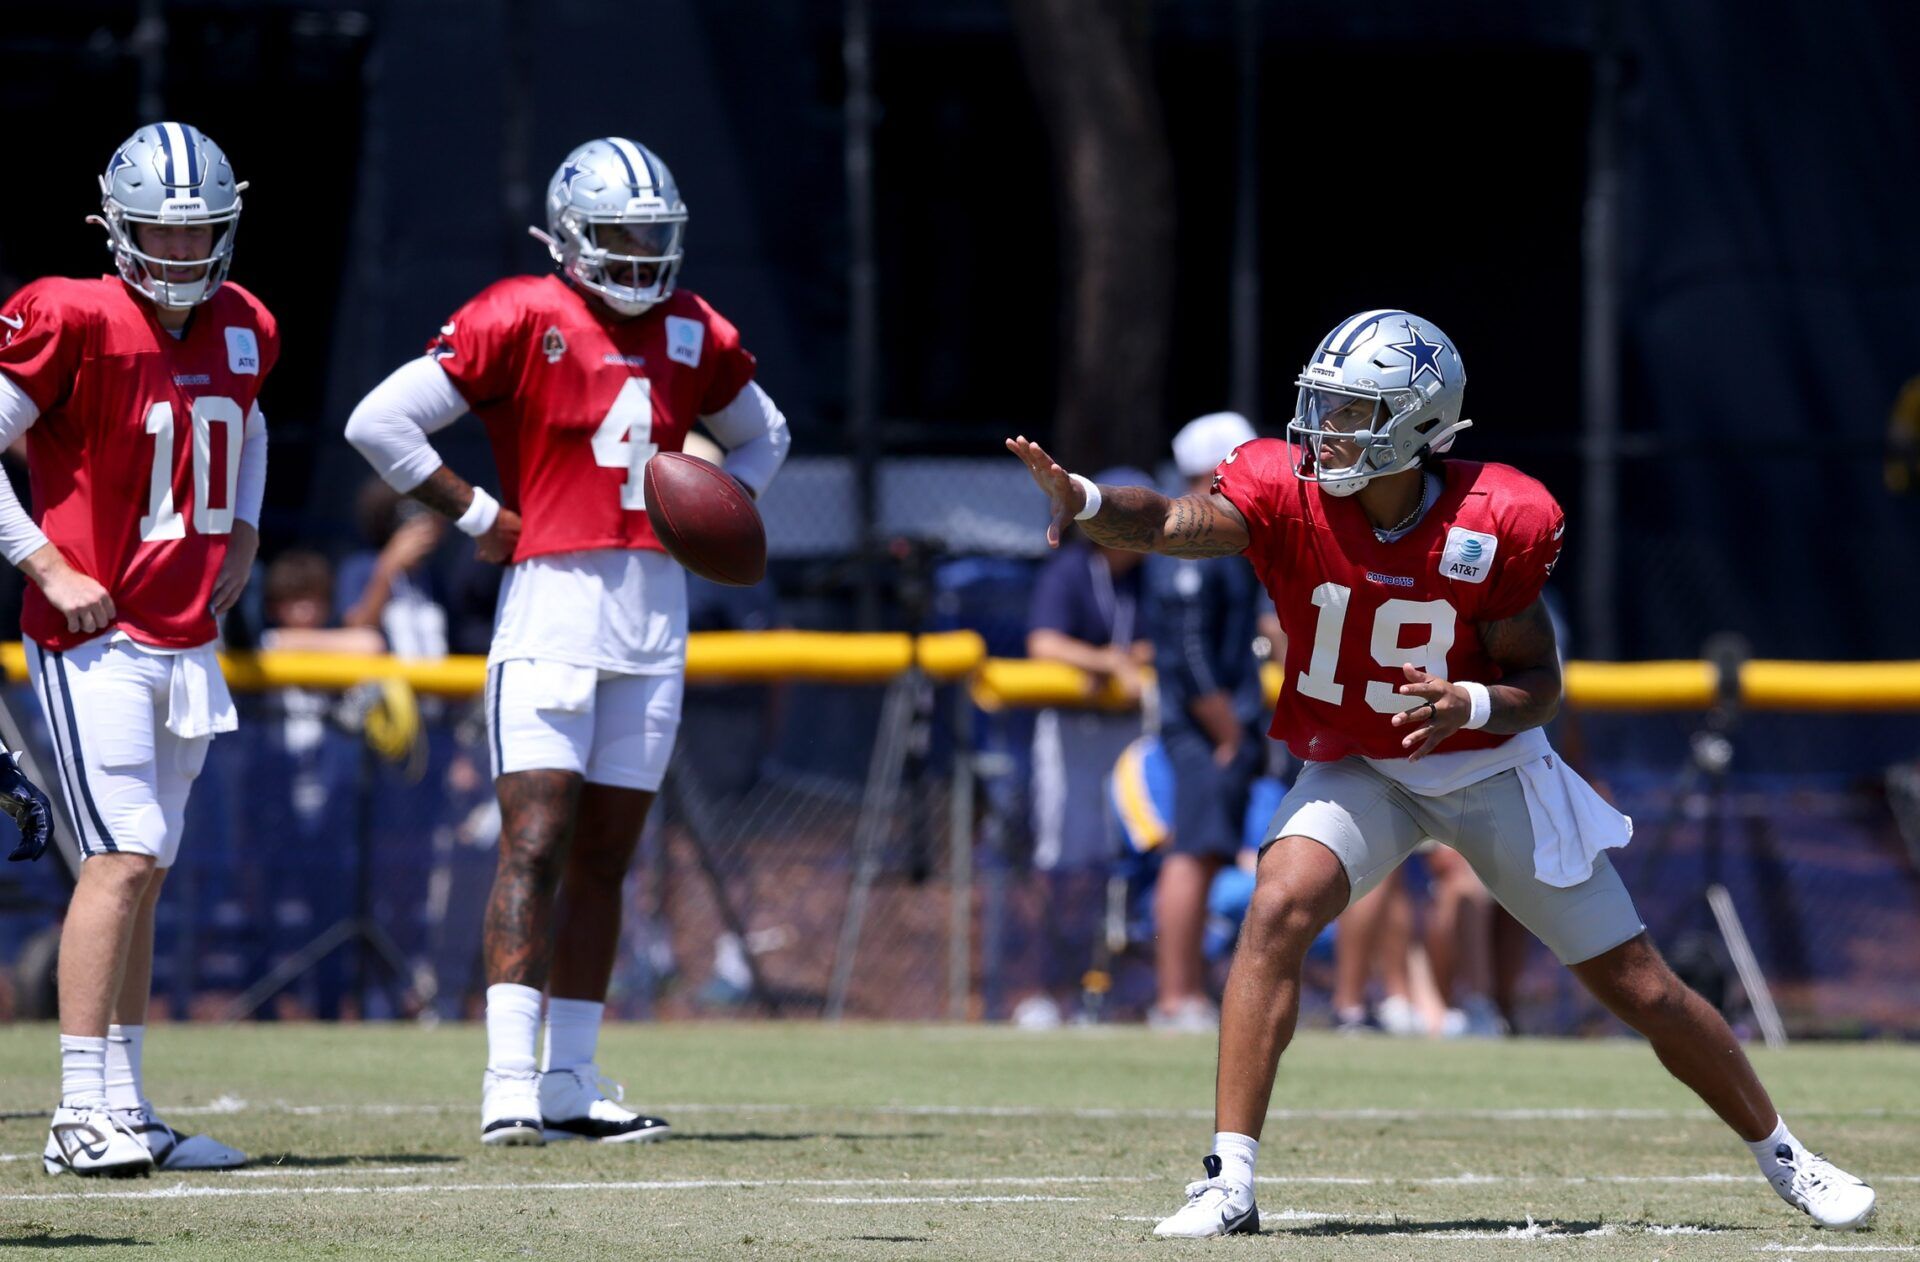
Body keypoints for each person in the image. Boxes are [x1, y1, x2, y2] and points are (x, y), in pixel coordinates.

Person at [1008, 308, 1874, 1235]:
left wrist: (1470, 702)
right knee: (1276, 908)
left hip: (1490, 767)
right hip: (1364, 768)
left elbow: (1542, 684)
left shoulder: (1495, 520)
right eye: (1323, 405)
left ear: (1418, 424)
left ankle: (1787, 1155)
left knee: (1641, 985)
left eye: (1350, 411)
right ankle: (1229, 1180)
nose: (1323, 429)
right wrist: (1093, 504)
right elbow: (1181, 519)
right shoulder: (1286, 490)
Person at [346, 136, 789, 1145]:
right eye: (620, 235)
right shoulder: (521, 311)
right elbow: (382, 421)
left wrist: (712, 507)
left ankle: (572, 1076)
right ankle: (509, 1076)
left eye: (653, 236)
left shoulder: (694, 328)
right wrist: (471, 514)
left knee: (607, 854)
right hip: (551, 599)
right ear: (572, 236)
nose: (639, 254)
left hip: (656, 606)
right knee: (536, 836)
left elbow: (768, 435)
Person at [0, 123, 270, 1175]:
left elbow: (247, 428)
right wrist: (45, 564)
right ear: (114, 228)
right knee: (117, 856)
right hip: (93, 634)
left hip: (185, 632)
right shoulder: (71, 313)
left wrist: (244, 526)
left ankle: (128, 1104)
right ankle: (77, 1112)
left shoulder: (247, 323)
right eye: (158, 231)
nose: (180, 253)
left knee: (146, 864)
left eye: (198, 231)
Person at [1143, 413, 1270, 1031]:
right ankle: (1177, 996)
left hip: (1219, 724)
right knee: (1191, 853)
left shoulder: (1224, 536)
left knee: (1209, 851)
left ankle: (1189, 991)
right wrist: (1228, 731)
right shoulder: (1190, 535)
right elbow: (1190, 655)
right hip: (1203, 728)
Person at [1016, 467, 1152, 1027]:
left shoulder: (1151, 576)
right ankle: (1045, 989)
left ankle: (1115, 992)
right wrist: (1107, 661)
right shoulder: (1072, 568)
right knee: (1063, 860)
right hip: (1073, 732)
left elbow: (1158, 641)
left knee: (1123, 860)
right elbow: (1042, 643)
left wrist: (1135, 657)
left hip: (1130, 731)